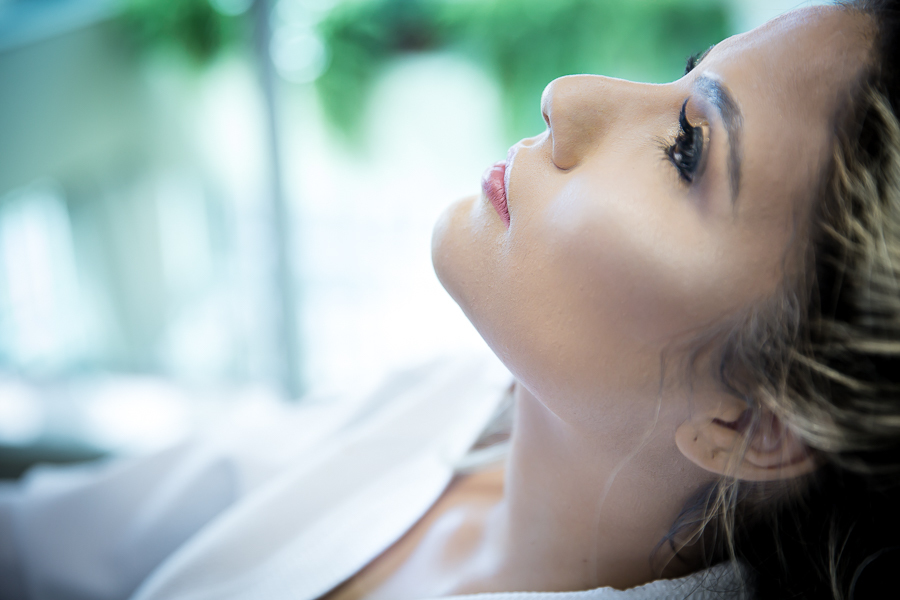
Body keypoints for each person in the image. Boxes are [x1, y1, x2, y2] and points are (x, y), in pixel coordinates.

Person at [1, 1, 899, 599]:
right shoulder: (458, 408)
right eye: (681, 72)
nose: (567, 96)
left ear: (759, 427)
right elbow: (47, 539)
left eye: (685, 150)